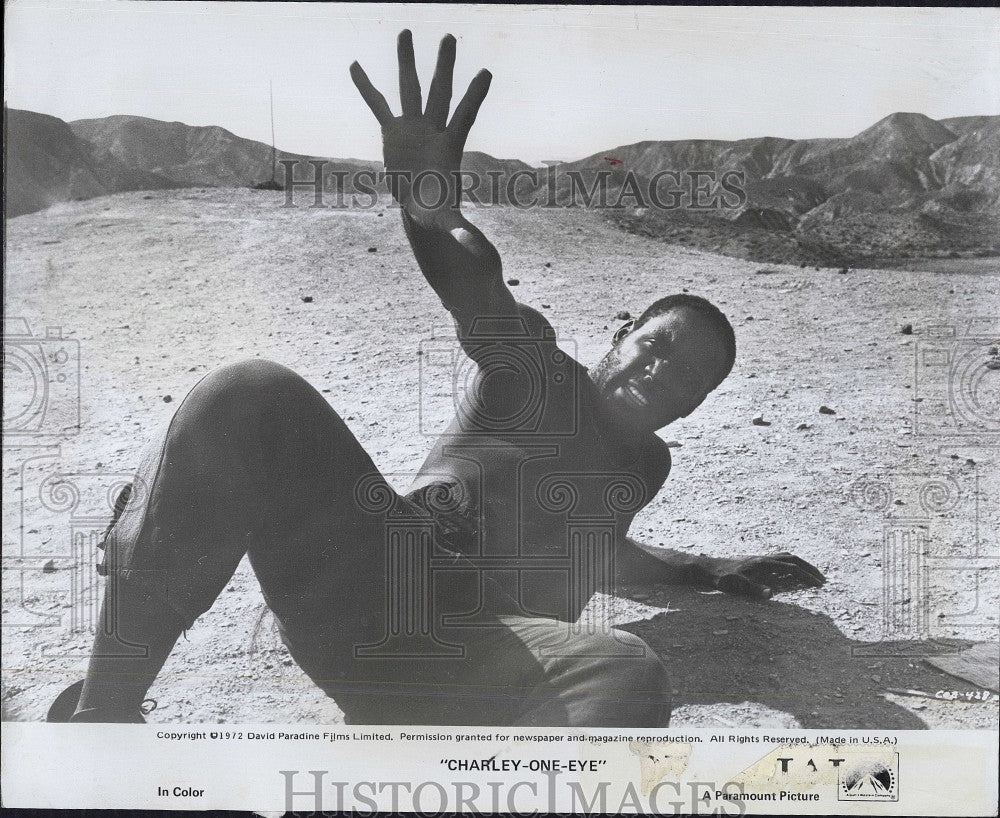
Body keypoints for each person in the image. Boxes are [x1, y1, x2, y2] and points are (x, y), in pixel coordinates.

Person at [47, 31, 824, 727]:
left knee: (621, 665)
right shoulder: (537, 376)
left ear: (698, 405)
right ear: (620, 337)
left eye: (690, 374)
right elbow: (478, 299)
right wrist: (429, 210)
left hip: (485, 658)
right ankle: (102, 720)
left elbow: (606, 552)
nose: (663, 371)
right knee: (248, 394)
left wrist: (705, 567)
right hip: (378, 591)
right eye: (657, 346)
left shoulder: (644, 466)